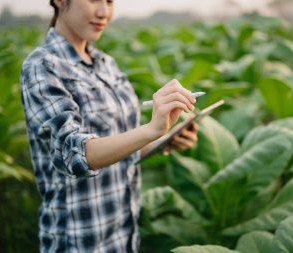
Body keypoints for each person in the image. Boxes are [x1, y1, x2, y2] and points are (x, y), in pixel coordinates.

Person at [20, 0, 199, 252]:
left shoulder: (107, 65)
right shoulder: (42, 66)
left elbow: (122, 146)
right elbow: (74, 154)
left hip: (123, 236)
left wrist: (162, 140)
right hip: (79, 241)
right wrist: (150, 130)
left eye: (110, 1)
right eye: (94, 0)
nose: (104, 12)